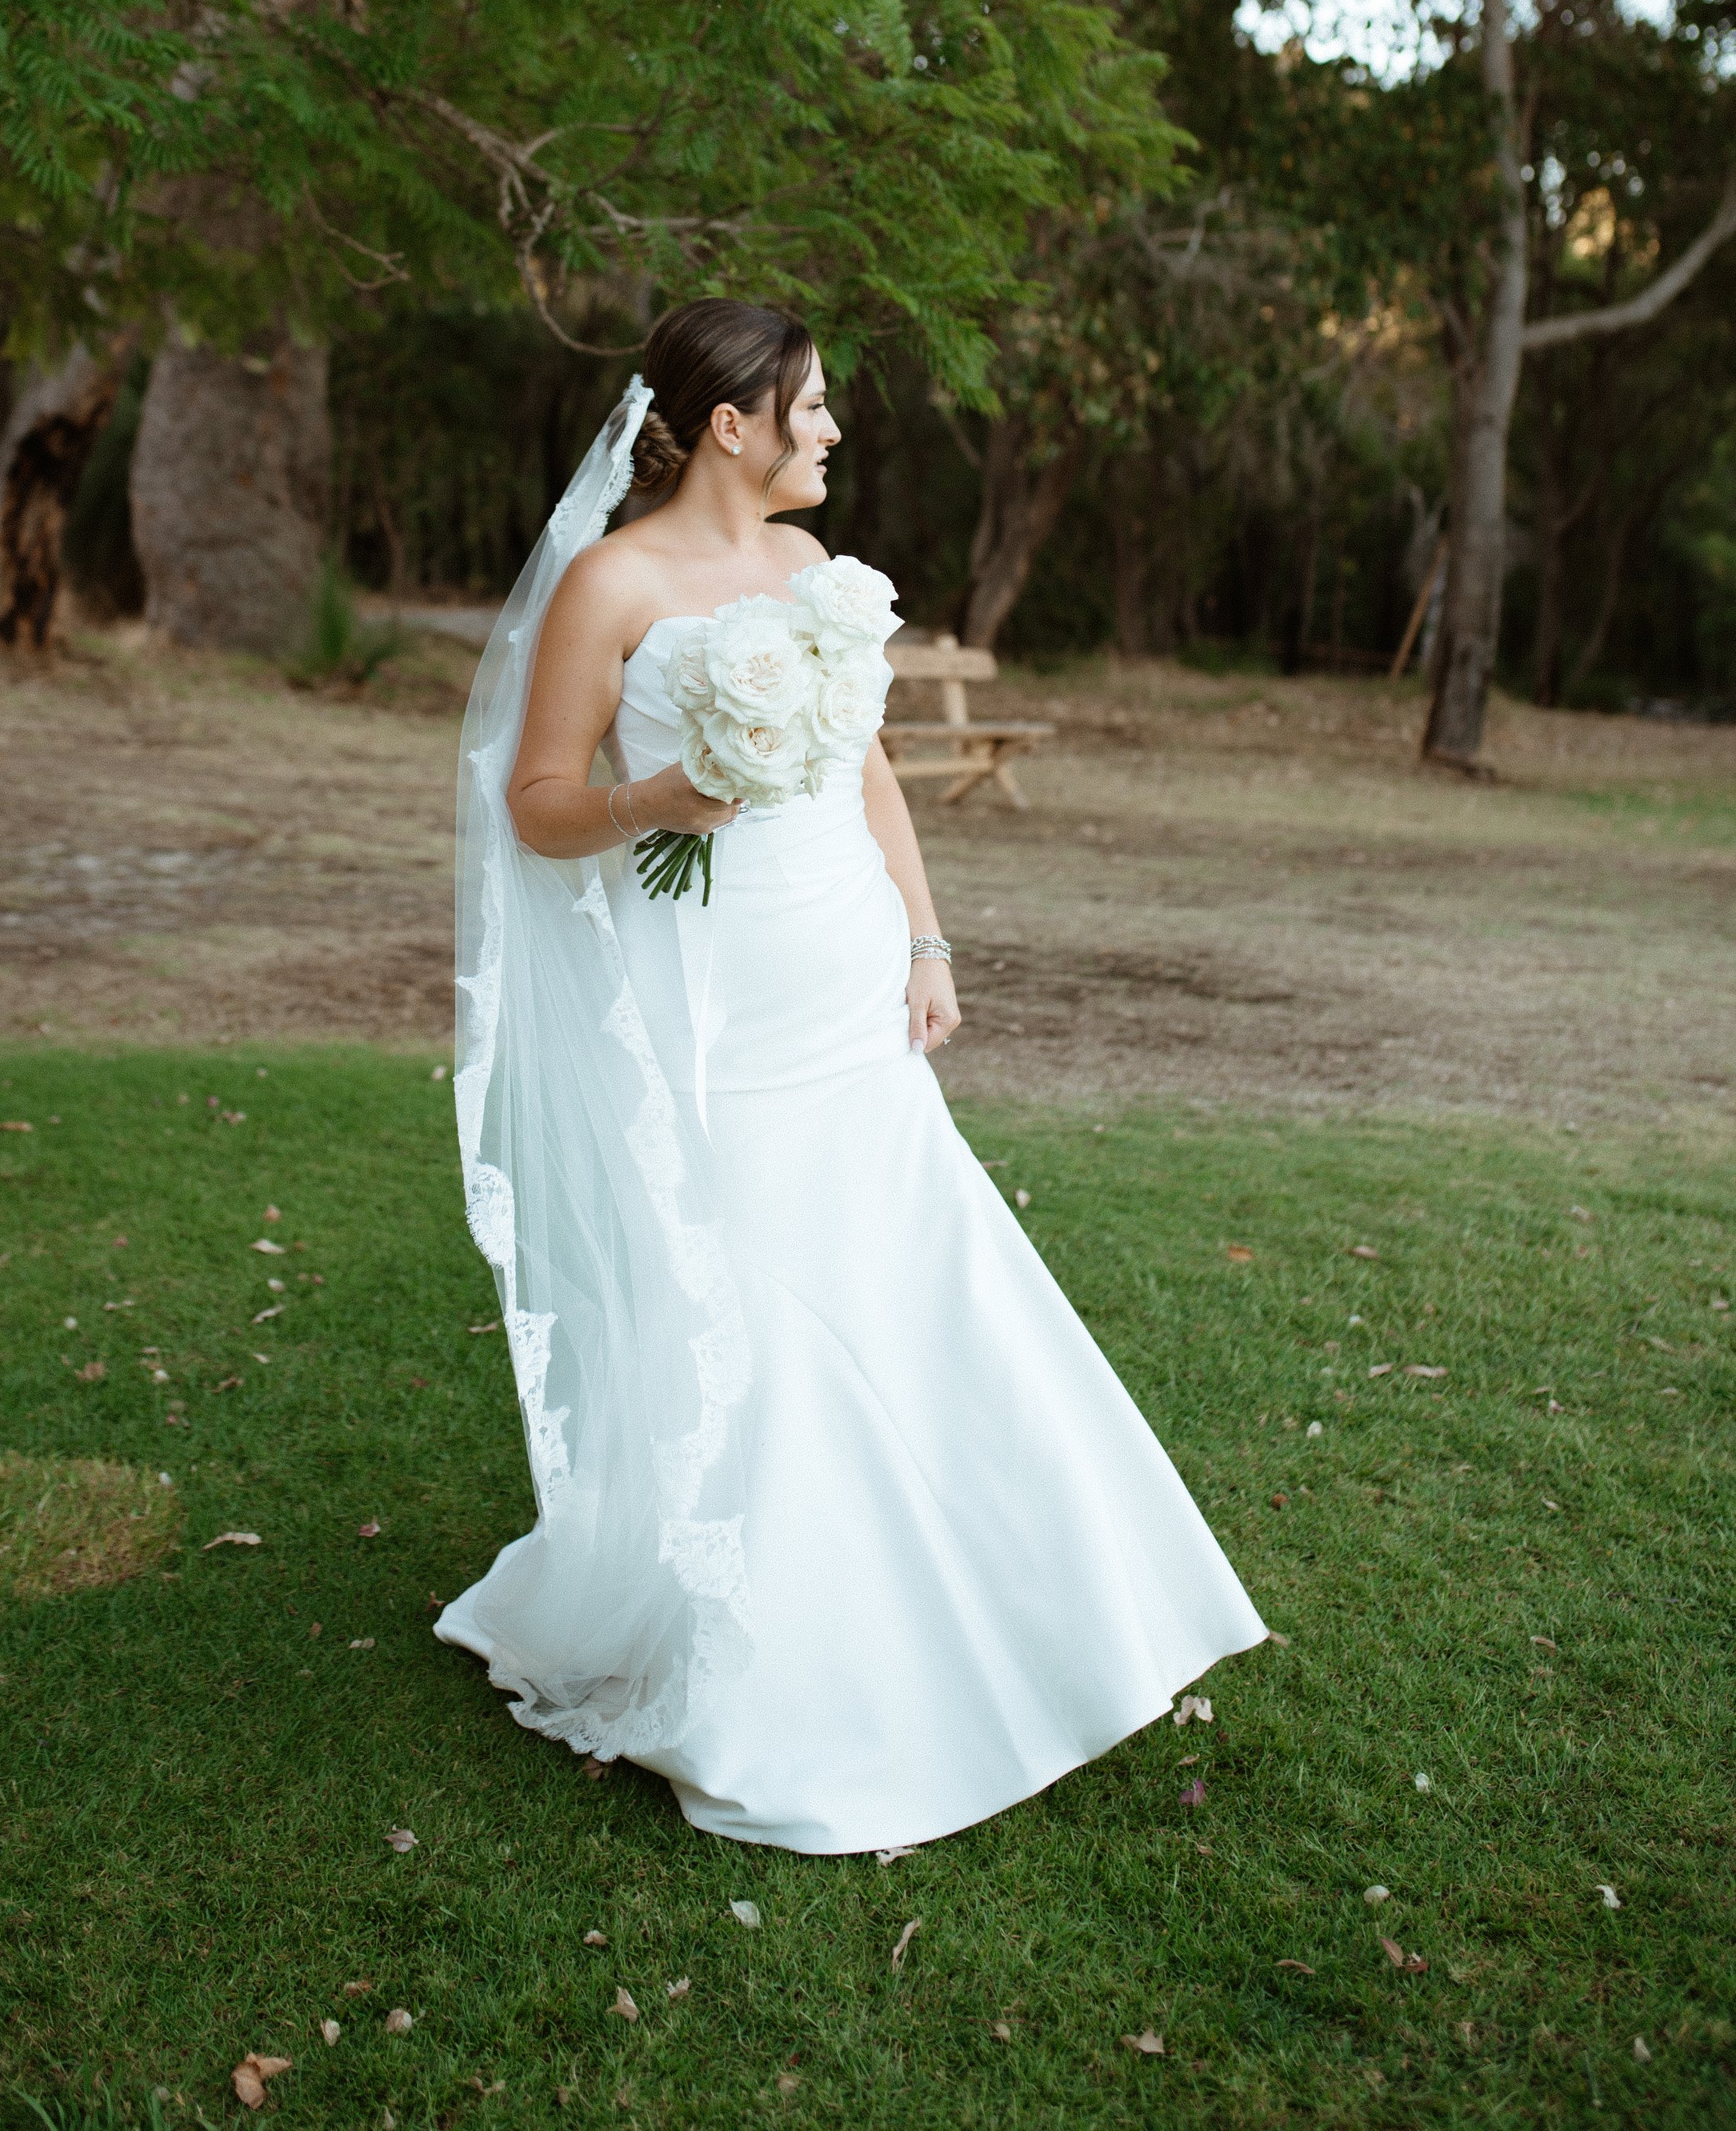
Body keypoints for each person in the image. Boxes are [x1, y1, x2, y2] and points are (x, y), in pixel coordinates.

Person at [438, 298, 1266, 1855]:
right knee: (754, 1284)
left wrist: (927, 941)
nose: (829, 431)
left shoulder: (814, 573)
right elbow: (538, 802)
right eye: (807, 408)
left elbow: (865, 769)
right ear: (733, 423)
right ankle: (780, 1651)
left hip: (839, 964)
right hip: (711, 993)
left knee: (905, 1263)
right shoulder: (612, 583)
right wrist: (663, 798)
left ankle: (1037, 1595)